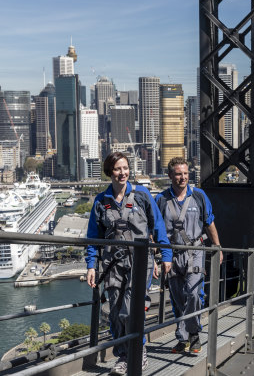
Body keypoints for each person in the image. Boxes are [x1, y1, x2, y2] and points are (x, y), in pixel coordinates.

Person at [85, 152, 171, 375]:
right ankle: (124, 355)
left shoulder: (142, 195)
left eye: (125, 168)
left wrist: (166, 257)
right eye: (117, 169)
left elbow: (158, 226)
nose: (122, 173)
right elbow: (93, 237)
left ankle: (137, 353)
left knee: (130, 310)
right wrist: (91, 265)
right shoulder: (101, 201)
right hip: (113, 262)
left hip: (140, 261)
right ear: (109, 172)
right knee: (114, 311)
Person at [156, 157, 223, 354]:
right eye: (178, 174)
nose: (183, 177)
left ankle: (193, 334)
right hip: (172, 254)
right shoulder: (161, 200)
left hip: (195, 251)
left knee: (193, 293)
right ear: (170, 176)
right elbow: (154, 229)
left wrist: (217, 246)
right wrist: (153, 255)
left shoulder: (199, 196)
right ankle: (183, 337)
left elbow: (209, 223)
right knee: (178, 299)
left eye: (185, 173)